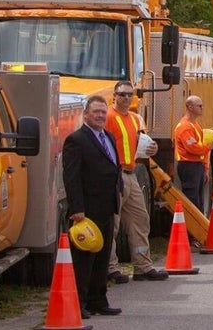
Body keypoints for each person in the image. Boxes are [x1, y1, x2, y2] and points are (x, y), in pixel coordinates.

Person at [63, 95, 122, 318]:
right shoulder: (76, 140)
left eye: (103, 112)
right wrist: (77, 208)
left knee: (103, 256)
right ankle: (80, 303)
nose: (100, 116)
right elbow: (71, 177)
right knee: (84, 260)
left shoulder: (108, 136)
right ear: (86, 114)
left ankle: (99, 300)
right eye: (96, 112)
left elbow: (114, 167)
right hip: (86, 211)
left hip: (107, 207)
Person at [106, 81, 168, 284]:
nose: (125, 98)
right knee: (112, 224)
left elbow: (140, 145)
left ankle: (143, 266)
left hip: (131, 173)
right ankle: (110, 268)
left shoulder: (134, 119)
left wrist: (152, 148)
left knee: (140, 221)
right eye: (122, 94)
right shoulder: (108, 117)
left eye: (129, 94)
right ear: (114, 95)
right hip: (114, 175)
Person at [174, 96, 212, 209]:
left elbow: (198, 146)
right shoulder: (185, 127)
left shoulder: (195, 125)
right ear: (190, 107)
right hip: (189, 166)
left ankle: (197, 224)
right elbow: (192, 148)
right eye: (199, 106)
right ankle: (190, 225)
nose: (202, 108)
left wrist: (205, 168)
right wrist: (208, 148)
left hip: (196, 165)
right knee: (192, 199)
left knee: (198, 200)